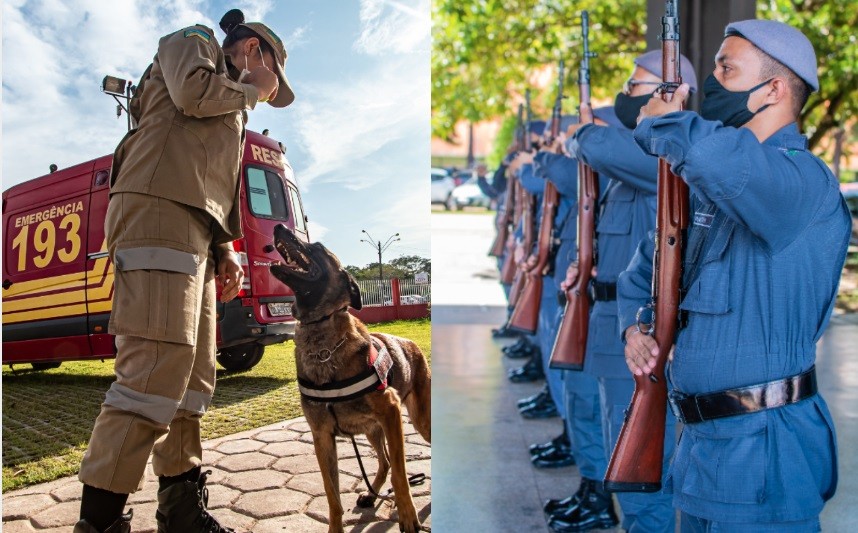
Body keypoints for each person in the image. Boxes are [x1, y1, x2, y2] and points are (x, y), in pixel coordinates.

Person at [620, 20, 849, 532]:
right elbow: (642, 274)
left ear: (774, 89)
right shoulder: (708, 191)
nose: (711, 81)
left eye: (727, 68)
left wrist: (665, 121)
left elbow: (723, 160)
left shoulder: (801, 181)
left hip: (765, 460)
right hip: (700, 455)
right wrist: (635, 328)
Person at [75, 9, 293, 533]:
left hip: (195, 226)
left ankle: (180, 510)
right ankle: (98, 522)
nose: (270, 88)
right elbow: (191, 95)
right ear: (251, 49)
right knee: (153, 368)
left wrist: (227, 247)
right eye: (270, 72)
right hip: (155, 209)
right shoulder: (193, 41)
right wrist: (250, 90)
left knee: (194, 374)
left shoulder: (235, 106)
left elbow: (214, 178)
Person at [548, 50, 698, 533]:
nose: (625, 95)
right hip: (615, 322)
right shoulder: (634, 165)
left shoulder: (664, 154)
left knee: (640, 463)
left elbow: (611, 150)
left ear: (666, 94)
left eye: (635, 87)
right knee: (613, 436)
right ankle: (601, 499)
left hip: (642, 334)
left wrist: (582, 132)